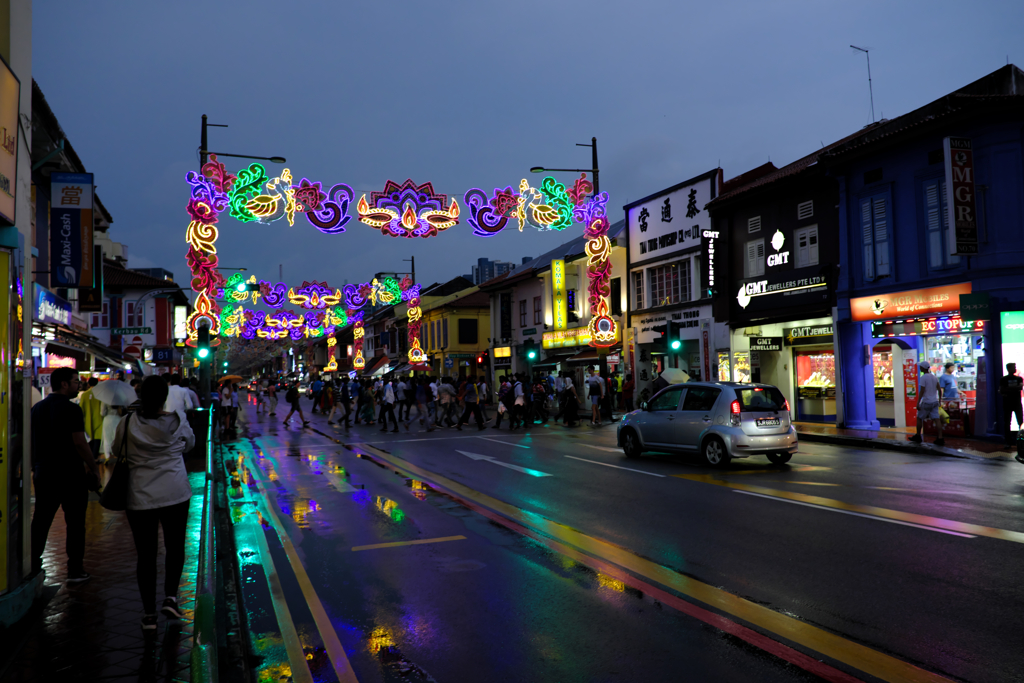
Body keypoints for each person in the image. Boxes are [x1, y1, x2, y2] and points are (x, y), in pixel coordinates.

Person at [113, 375, 195, 631]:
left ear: (140, 395)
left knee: (146, 555)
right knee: (175, 546)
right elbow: (190, 445)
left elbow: (117, 451)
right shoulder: (179, 420)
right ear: (164, 397)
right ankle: (170, 597)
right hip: (175, 492)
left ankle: (149, 614)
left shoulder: (126, 423)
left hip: (140, 496)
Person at [30, 367, 102, 583]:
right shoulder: (72, 410)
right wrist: (93, 466)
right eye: (75, 381)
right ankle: (75, 569)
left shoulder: (37, 409)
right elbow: (80, 442)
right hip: (70, 473)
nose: (78, 385)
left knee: (41, 520)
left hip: (44, 472)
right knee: (75, 522)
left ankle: (33, 564)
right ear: (63, 384)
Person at [910, 361, 943, 446]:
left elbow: (922, 391)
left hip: (926, 401)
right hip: (935, 402)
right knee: (937, 419)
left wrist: (918, 403)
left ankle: (918, 436)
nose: (919, 368)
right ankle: (940, 438)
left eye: (920, 367)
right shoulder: (934, 377)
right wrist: (939, 400)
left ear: (923, 368)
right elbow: (939, 390)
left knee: (919, 418)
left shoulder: (923, 377)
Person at [79, 376, 104, 461]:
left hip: (88, 422)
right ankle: (95, 458)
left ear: (88, 384)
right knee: (97, 440)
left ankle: (89, 461)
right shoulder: (101, 394)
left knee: (89, 441)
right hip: (99, 421)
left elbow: (81, 409)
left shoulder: (84, 395)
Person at [1000, 362, 1024, 445]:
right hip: (1008, 404)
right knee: (1007, 422)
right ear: (1008, 369)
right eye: (1013, 367)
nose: (1015, 369)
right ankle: (1008, 441)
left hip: (1016, 403)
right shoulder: (1003, 379)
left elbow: (1020, 387)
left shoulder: (1019, 378)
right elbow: (1002, 390)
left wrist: (1008, 389)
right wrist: (1014, 389)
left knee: (1020, 422)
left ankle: (1021, 441)